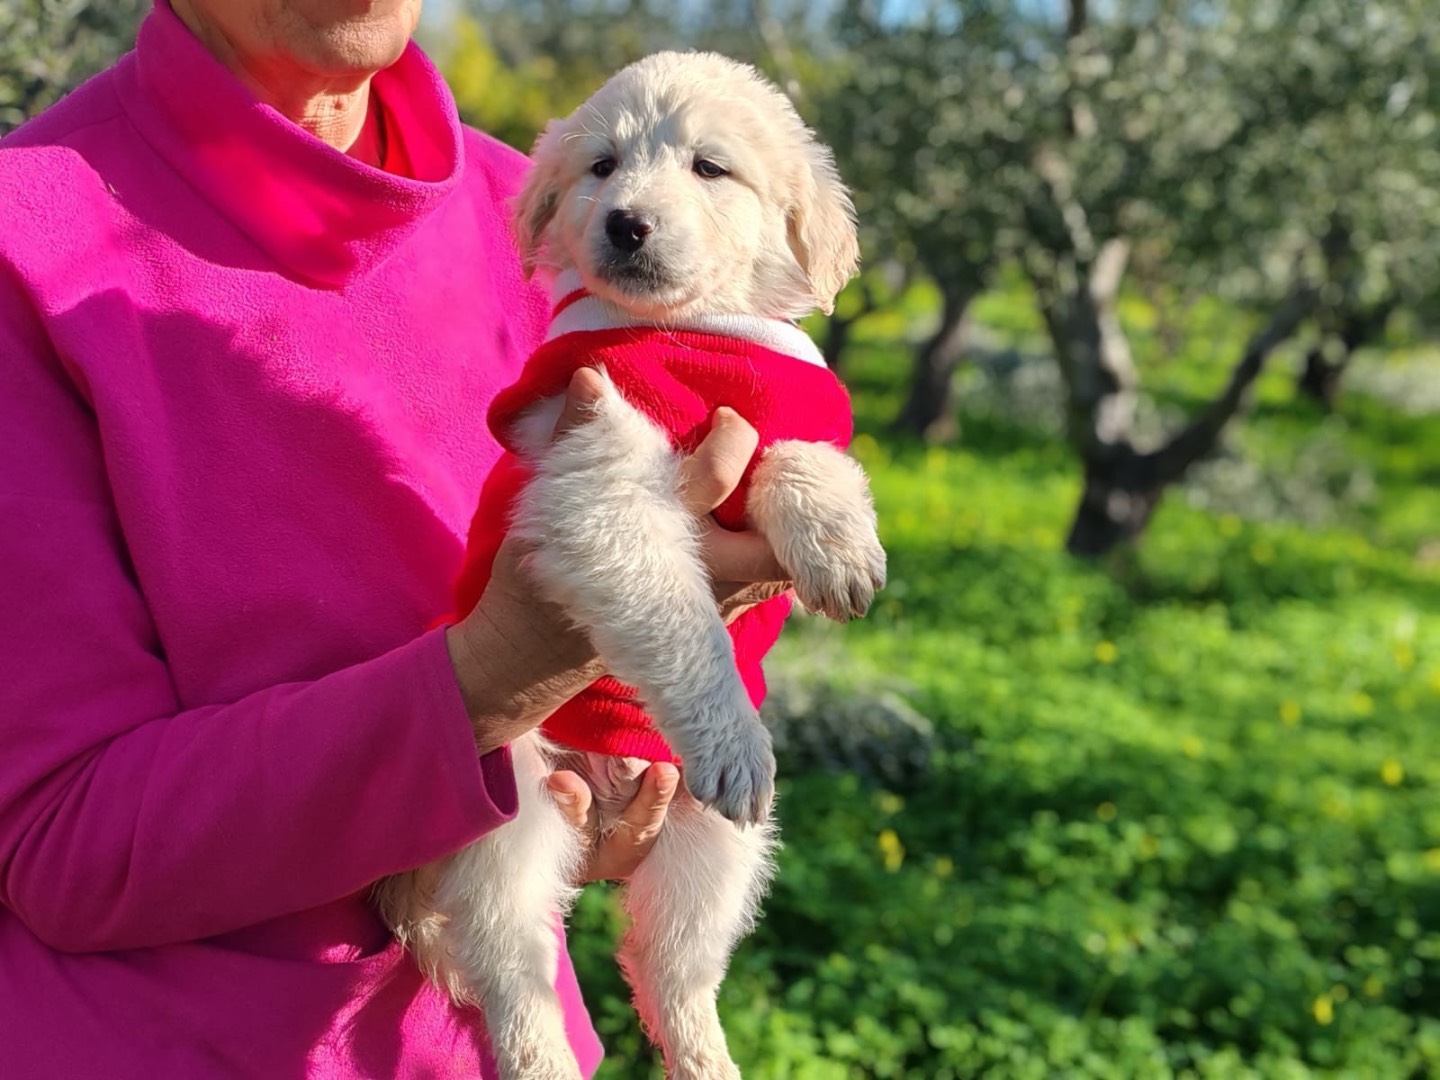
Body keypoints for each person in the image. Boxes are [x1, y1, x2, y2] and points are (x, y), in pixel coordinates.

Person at [0, 1, 788, 1076]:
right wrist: (497, 673)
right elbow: (62, 843)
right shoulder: (23, 241)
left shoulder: (557, 215)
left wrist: (620, 769)